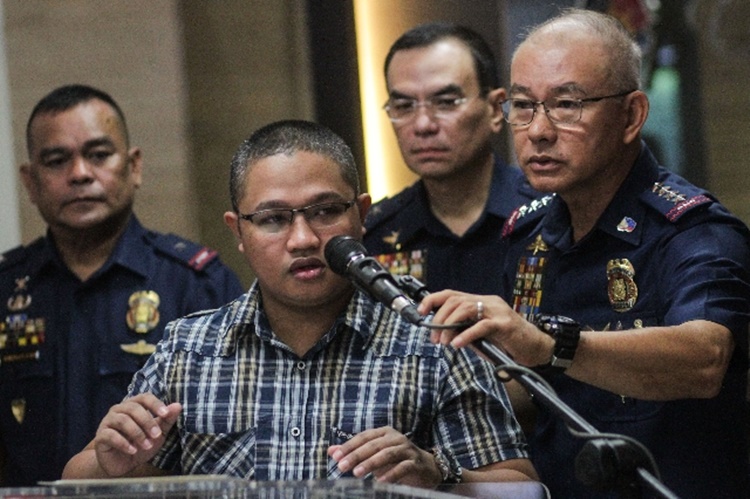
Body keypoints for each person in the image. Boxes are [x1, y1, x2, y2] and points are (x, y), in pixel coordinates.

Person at [62, 120, 538, 487]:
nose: (304, 239)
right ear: (238, 232)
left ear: (362, 215)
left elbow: (519, 488)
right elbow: (79, 477)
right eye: (273, 219)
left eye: (326, 211)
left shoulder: (432, 337)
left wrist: (438, 472)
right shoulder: (189, 349)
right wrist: (111, 463)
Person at [419, 8, 750, 499]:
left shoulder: (693, 230)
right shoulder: (527, 234)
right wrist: (432, 409)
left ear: (631, 115)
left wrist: (551, 345)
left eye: (567, 105)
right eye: (523, 105)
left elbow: (704, 360)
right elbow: (534, 393)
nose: (538, 130)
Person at [0, 84, 244, 485]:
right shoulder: (7, 289)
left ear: (134, 166)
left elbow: (233, 434)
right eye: (57, 160)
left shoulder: (196, 284)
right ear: (30, 182)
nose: (80, 174)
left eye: (98, 155)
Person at [364, 22, 537, 294]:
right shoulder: (376, 235)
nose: (423, 125)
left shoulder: (547, 216)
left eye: (446, 102)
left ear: (494, 109)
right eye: (404, 106)